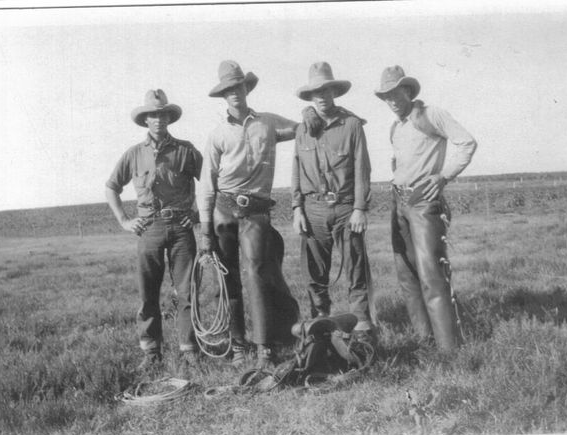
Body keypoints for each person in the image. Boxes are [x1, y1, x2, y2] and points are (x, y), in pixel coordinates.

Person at [197, 60, 322, 370]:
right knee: (227, 279)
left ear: (246, 88)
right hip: (224, 210)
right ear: (223, 95)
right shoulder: (217, 134)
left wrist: (308, 112)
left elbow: (300, 128)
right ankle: (238, 344)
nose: (234, 93)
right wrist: (206, 231)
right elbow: (207, 185)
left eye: (238, 86)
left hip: (256, 211)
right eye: (228, 89)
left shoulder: (267, 122)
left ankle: (264, 345)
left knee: (256, 273)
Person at [374, 65, 477, 351]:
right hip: (399, 203)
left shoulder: (432, 115)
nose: (392, 100)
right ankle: (424, 340)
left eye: (396, 93)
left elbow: (467, 143)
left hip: (423, 203)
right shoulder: (396, 127)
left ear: (408, 91)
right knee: (407, 274)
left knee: (431, 274)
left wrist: (443, 176)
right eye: (386, 96)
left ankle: (449, 350)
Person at [105, 89, 203, 373]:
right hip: (149, 228)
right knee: (148, 292)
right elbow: (111, 187)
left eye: (163, 115)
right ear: (145, 120)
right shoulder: (134, 154)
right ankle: (151, 351)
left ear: (169, 118)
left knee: (187, 290)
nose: (158, 120)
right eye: (153, 115)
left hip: (181, 228)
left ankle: (189, 349)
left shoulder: (186, 150)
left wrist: (196, 215)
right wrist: (125, 220)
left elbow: (210, 182)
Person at [291, 62, 375, 340]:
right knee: (314, 273)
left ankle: (362, 327)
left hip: (345, 207)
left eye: (326, 90)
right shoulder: (302, 129)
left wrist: (360, 208)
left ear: (334, 92)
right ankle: (320, 325)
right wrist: (297, 208)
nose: (321, 96)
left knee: (355, 268)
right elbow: (296, 169)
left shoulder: (351, 125)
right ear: (310, 96)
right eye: (316, 92)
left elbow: (362, 169)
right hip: (312, 208)